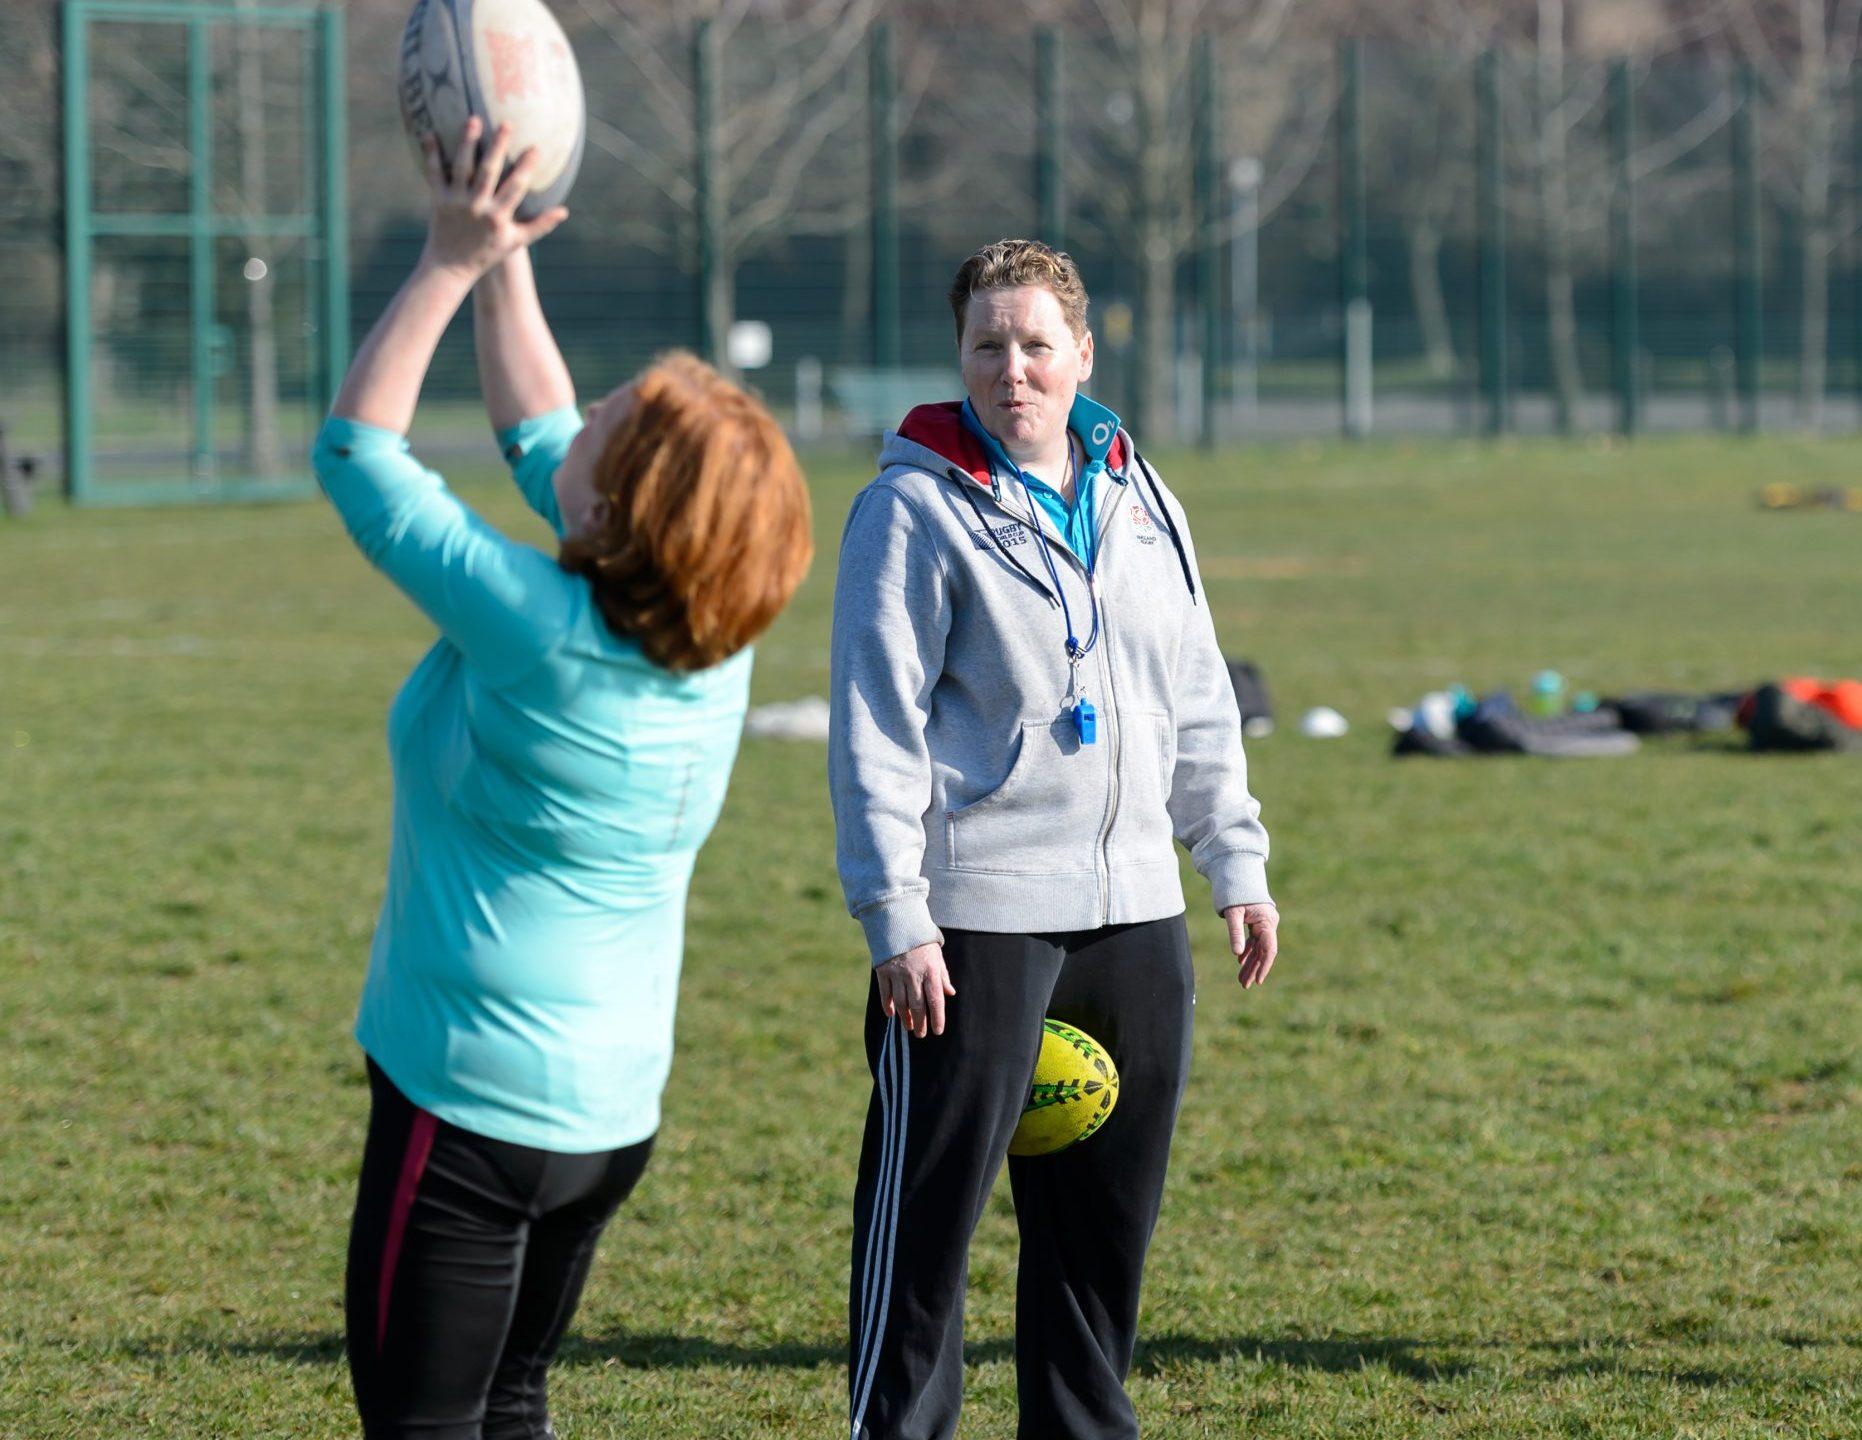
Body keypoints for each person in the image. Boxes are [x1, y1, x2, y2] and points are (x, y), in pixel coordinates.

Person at [313, 119, 812, 1439]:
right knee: (514, 1403)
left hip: (466, 1112)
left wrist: (440, 263)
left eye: (615, 420)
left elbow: (361, 458)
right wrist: (507, 253)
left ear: (614, 516)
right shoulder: (712, 641)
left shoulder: (534, 629)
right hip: (603, 1124)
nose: (584, 410)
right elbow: (540, 429)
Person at [829, 238, 1279, 1440]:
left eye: (1035, 344)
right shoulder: (908, 510)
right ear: (959, 357)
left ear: (1082, 352)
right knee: (923, 1237)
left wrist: (1228, 858)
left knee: (1098, 1246)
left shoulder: (1144, 499)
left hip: (1135, 918)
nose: (1011, 369)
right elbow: (874, 726)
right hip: (973, 926)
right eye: (987, 344)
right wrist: (897, 915)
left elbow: (1194, 693)